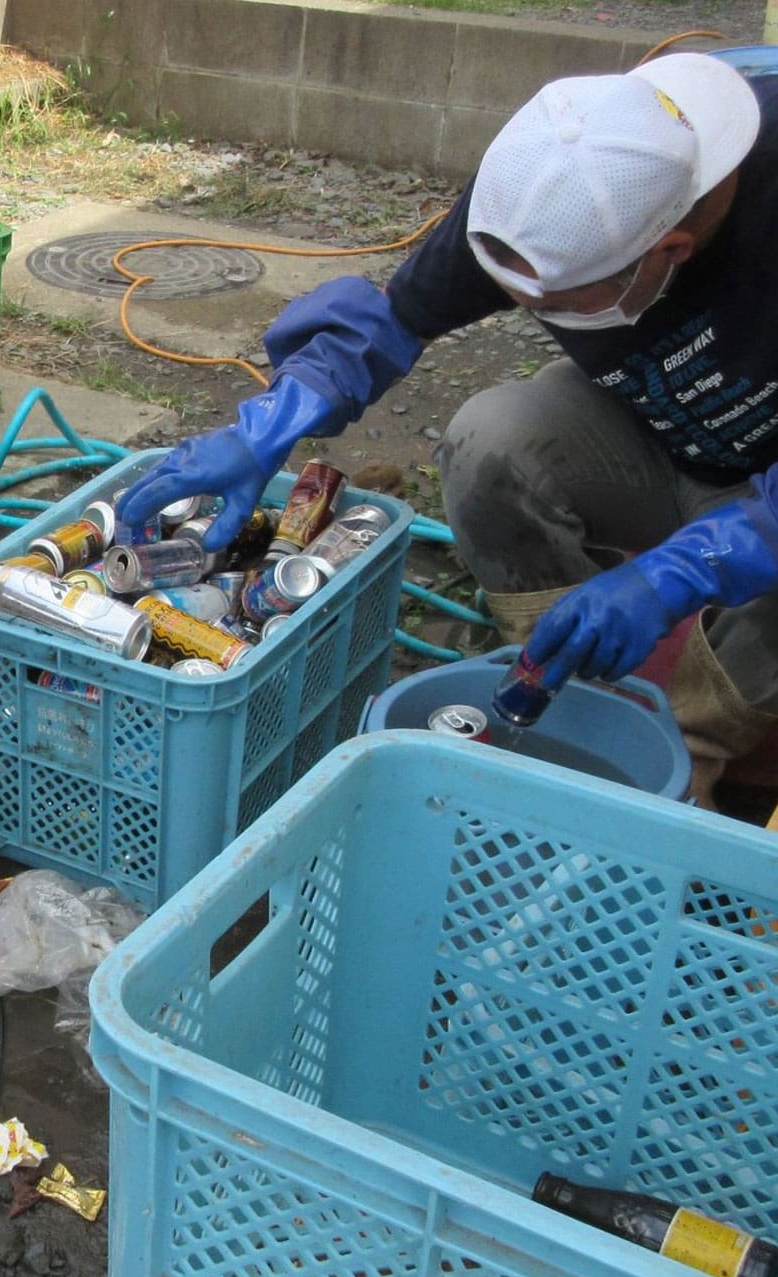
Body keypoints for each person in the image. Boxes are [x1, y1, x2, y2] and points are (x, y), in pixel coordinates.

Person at [119, 51, 778, 801]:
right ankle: (553, 683)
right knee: (492, 439)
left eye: (565, 303)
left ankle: (673, 776)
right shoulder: (570, 180)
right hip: (670, 443)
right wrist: (270, 423)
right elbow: (395, 319)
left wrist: (686, 569)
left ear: (667, 254)